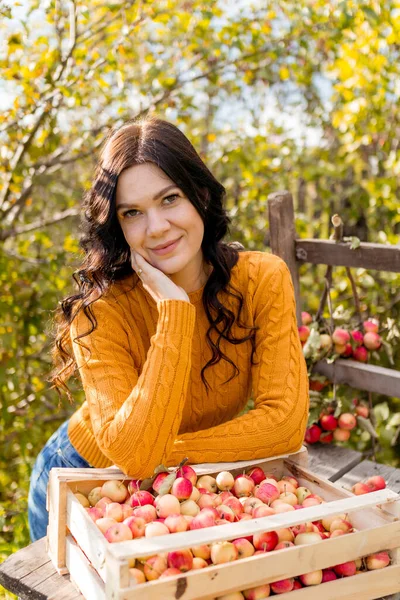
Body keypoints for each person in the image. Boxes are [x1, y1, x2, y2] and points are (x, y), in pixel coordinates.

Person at [27, 115, 309, 542]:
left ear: (199, 194)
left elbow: (284, 425)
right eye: (133, 212)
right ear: (117, 226)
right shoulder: (100, 311)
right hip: (83, 474)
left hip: (180, 481)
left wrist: (164, 456)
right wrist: (174, 311)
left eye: (170, 199)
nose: (156, 227)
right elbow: (132, 455)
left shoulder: (262, 280)